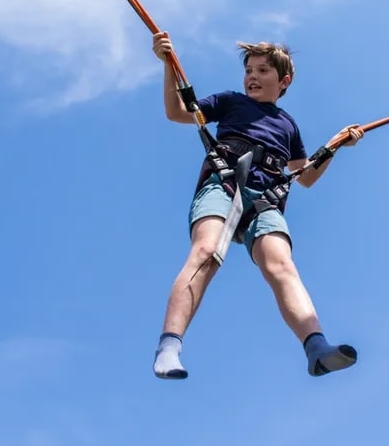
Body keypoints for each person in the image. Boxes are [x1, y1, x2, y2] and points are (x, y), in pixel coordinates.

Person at [151, 31, 363, 380]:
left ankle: (316, 349)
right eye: (249, 69)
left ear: (284, 81)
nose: (252, 75)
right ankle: (169, 346)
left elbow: (305, 176)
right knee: (206, 252)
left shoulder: (288, 126)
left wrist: (336, 146)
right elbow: (177, 112)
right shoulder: (230, 102)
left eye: (263, 70)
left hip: (265, 200)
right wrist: (167, 65)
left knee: (281, 266)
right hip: (225, 183)